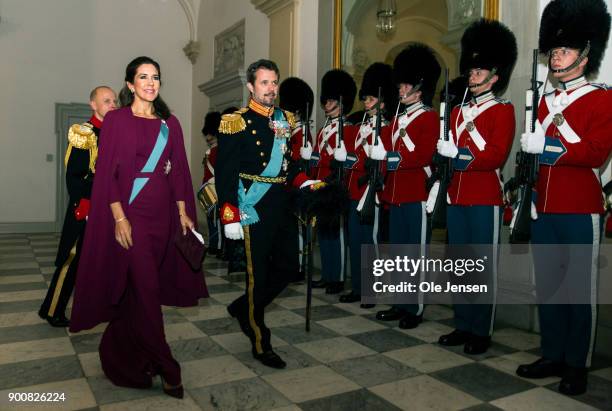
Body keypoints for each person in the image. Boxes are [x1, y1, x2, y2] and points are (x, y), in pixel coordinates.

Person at [69, 56, 208, 398]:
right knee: (146, 290)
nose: (150, 82)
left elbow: (177, 172)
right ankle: (168, 366)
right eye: (143, 77)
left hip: (162, 219)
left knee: (141, 294)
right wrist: (118, 217)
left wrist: (183, 212)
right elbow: (108, 175)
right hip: (130, 217)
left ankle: (120, 354)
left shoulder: (169, 123)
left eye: (155, 77)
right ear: (130, 84)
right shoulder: (117, 120)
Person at [516, 0, 611, 396]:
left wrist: (550, 144)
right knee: (550, 288)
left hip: (578, 209)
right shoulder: (544, 99)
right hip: (545, 208)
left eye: (565, 50)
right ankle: (552, 353)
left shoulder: (601, 98)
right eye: (553, 50)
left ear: (585, 54)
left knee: (577, 291)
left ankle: (577, 363)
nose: (556, 56)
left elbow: (595, 153)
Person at [217, 59, 321, 369]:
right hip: (252, 207)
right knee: (257, 276)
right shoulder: (236, 120)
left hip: (281, 205)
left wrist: (307, 182)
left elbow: (288, 168)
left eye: (274, 82)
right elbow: (225, 173)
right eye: (264, 83)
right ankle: (260, 340)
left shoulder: (285, 120)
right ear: (250, 86)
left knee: (290, 267)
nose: (271, 88)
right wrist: (229, 215)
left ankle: (243, 307)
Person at [436, 19, 517, 355]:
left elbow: (495, 156)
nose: (472, 75)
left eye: (479, 70)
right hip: (458, 196)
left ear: (495, 76)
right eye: (471, 69)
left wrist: (460, 154)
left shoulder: (503, 110)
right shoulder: (456, 113)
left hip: (484, 196)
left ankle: (481, 330)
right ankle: (463, 323)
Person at [38, 86, 116, 327]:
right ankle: (53, 310)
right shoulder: (85, 133)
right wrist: (87, 203)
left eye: (114, 101)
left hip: (111, 210)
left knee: (105, 261)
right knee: (71, 260)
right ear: (93, 104)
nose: (112, 104)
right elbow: (74, 176)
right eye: (106, 101)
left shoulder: (117, 132)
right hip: (87, 207)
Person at [376, 44, 440, 329]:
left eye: (405, 84)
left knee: (416, 253)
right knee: (400, 252)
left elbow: (424, 155)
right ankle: (400, 301)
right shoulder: (396, 119)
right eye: (400, 84)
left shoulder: (429, 117)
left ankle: (415, 307)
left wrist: (391, 156)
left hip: (417, 192)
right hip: (396, 192)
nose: (400, 89)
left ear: (419, 87)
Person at [338, 62, 396, 307]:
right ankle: (359, 287)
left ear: (382, 102)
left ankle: (370, 290)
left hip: (370, 192)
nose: (366, 102)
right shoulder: (360, 125)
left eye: (371, 98)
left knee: (369, 243)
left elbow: (384, 161)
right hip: (354, 190)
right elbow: (351, 153)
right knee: (355, 240)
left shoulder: (388, 126)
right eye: (365, 98)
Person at [307, 69, 357, 295]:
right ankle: (328, 274)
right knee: (325, 233)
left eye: (330, 100)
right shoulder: (323, 129)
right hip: (321, 184)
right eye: (325, 100)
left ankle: (337, 278)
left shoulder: (348, 128)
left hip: (336, 184)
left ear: (341, 102)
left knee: (336, 234)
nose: (326, 104)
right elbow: (318, 156)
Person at [279, 77, 315, 282]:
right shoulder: (288, 129)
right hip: (285, 185)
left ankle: (299, 267)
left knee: (298, 228)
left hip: (297, 184)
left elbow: (298, 160)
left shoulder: (303, 133)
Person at [201, 111, 222, 255]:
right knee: (211, 220)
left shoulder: (218, 150)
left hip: (215, 189)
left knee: (217, 221)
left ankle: (219, 247)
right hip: (208, 189)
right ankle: (214, 245)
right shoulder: (211, 151)